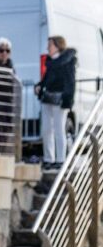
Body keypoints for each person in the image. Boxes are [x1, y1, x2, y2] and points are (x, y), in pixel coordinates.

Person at [37, 35, 77, 167]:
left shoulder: (67, 62)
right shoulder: (51, 62)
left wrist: (68, 100)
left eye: (50, 45)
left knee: (59, 129)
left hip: (60, 99)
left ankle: (61, 160)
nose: (47, 48)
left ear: (58, 46)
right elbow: (46, 80)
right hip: (48, 97)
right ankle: (49, 159)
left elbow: (70, 82)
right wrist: (39, 86)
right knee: (47, 130)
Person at [0, 37, 23, 157]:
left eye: (7, 51)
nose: (4, 53)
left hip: (7, 105)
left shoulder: (10, 66)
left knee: (6, 130)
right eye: (1, 50)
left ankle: (0, 151)